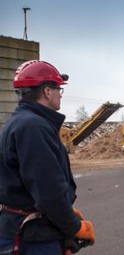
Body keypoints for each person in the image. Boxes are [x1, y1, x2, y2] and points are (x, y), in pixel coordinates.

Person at [0, 60, 95, 254]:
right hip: (33, 238)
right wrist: (74, 227)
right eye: (58, 88)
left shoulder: (18, 122)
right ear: (47, 91)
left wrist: (64, 217)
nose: (60, 94)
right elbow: (48, 192)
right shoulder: (35, 127)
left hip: (24, 229)